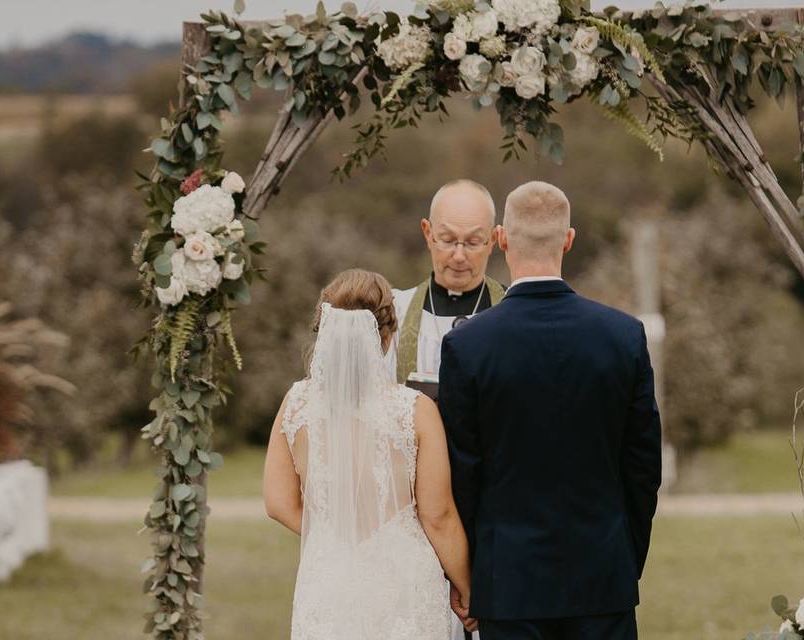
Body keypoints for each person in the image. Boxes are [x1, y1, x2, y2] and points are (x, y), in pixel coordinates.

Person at [439, 181, 662, 640]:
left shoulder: (467, 345)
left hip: (508, 584)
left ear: (501, 239)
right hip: (603, 577)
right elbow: (643, 467)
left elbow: (464, 473)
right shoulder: (623, 336)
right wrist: (623, 557)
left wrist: (473, 575)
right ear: (568, 239)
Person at [263, 269, 472, 640]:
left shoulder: (295, 403)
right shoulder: (415, 410)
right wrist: (467, 587)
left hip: (328, 579)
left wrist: (333, 533)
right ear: (387, 337)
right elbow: (437, 515)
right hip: (404, 581)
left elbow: (279, 503)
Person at [390, 179, 506, 385]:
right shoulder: (395, 312)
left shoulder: (514, 310)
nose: (459, 256)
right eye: (448, 240)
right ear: (428, 233)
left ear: (493, 239)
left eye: (473, 242)